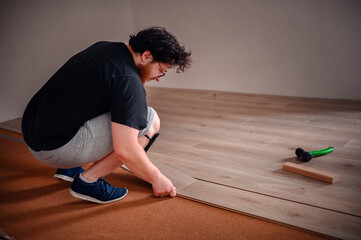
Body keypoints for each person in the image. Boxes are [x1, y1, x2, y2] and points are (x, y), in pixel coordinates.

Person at [21, 27, 191, 204]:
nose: (159, 78)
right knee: (150, 120)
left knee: (114, 106)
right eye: (161, 70)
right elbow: (126, 150)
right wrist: (157, 178)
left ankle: (69, 169)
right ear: (147, 56)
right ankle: (88, 182)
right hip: (54, 148)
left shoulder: (105, 48)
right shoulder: (129, 81)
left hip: (33, 132)